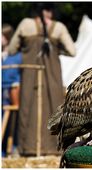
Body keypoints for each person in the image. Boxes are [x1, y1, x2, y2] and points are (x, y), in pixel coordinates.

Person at [8, 3, 76, 156]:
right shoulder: (59, 28)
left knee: (27, 109)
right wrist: (58, 49)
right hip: (52, 77)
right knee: (54, 108)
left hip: (29, 76)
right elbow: (72, 51)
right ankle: (53, 149)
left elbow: (12, 49)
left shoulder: (26, 24)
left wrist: (24, 47)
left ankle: (27, 148)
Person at [2, 24, 22, 157]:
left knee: (11, 125)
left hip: (11, 92)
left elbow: (15, 77)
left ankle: (12, 148)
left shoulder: (16, 56)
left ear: (7, 37)